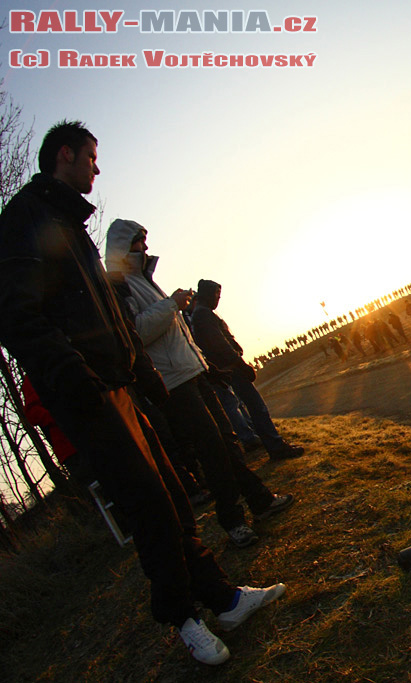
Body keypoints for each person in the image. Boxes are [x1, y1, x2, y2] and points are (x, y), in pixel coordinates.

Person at [0, 120, 284, 665]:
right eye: (90, 158)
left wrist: (139, 371)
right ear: (65, 155)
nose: (96, 168)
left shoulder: (71, 226)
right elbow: (16, 316)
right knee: (149, 508)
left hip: (122, 388)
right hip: (87, 396)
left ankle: (223, 600)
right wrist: (77, 378)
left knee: (174, 497)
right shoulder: (24, 221)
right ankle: (182, 619)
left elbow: (107, 315)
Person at [104, 219, 294, 548]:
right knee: (213, 450)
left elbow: (177, 335)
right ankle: (234, 520)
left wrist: (206, 367)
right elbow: (135, 332)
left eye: (145, 239)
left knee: (225, 442)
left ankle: (259, 502)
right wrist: (172, 304)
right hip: (172, 384)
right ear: (124, 245)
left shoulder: (145, 280)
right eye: (138, 241)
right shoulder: (118, 286)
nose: (145, 247)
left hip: (192, 374)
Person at [190, 280, 305, 460]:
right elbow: (220, 344)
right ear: (208, 294)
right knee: (256, 407)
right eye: (216, 296)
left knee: (253, 406)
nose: (218, 300)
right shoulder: (203, 315)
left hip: (228, 367)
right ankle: (275, 446)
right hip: (231, 368)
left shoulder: (201, 314)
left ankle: (274, 444)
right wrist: (241, 364)